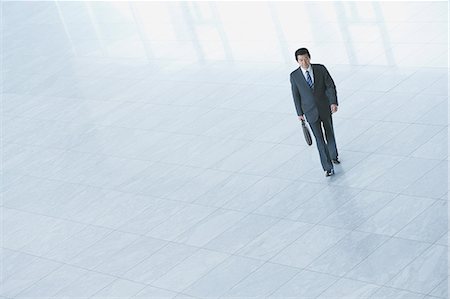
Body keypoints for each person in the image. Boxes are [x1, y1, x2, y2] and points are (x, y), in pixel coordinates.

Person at [290, 48, 340, 177]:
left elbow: (330, 86)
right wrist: (299, 113)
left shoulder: (320, 69)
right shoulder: (294, 76)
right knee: (319, 139)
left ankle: (333, 155)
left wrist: (333, 102)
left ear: (309, 57)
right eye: (301, 60)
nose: (304, 62)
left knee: (329, 133)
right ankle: (327, 167)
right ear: (297, 61)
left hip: (325, 108)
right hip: (309, 112)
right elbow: (296, 95)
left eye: (306, 58)